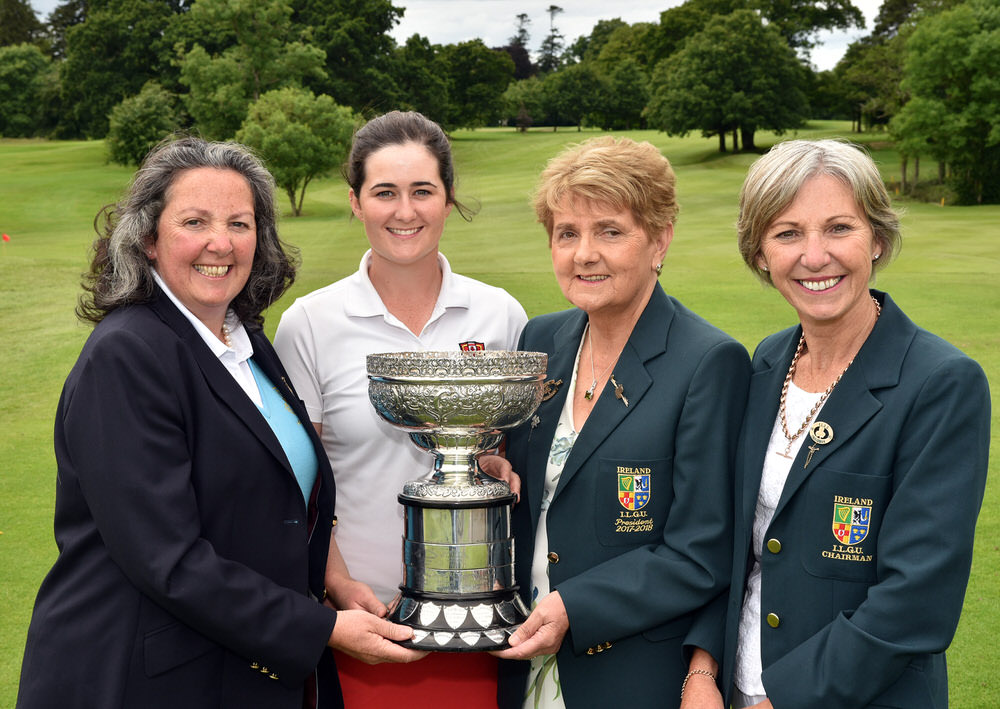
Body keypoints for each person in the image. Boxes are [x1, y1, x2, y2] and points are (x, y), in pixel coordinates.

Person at [15, 136, 424, 709]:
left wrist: (330, 582)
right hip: (142, 678)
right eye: (194, 221)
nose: (220, 243)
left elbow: (274, 503)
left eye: (239, 222)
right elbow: (167, 559)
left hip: (238, 673)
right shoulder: (127, 355)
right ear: (149, 239)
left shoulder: (244, 341)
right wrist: (320, 628)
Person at [686, 139, 990, 709]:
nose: (815, 255)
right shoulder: (765, 363)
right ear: (760, 254)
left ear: (877, 238)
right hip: (734, 688)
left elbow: (916, 597)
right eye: (788, 233)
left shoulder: (942, 382)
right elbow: (732, 547)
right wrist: (702, 671)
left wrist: (783, 701)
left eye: (839, 228)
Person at [273, 111, 528, 707]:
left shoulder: (500, 314)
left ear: (448, 199)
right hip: (366, 622)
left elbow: (508, 455)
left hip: (485, 625)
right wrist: (335, 582)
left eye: (423, 191)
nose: (404, 211)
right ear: (357, 202)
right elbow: (296, 484)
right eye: (384, 192)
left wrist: (492, 466)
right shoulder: (310, 323)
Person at [491, 136, 751, 708]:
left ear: (659, 240)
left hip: (630, 676)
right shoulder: (540, 341)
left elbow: (701, 552)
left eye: (610, 231)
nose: (585, 253)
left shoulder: (709, 362)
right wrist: (493, 472)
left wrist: (574, 607)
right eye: (567, 233)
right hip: (522, 665)